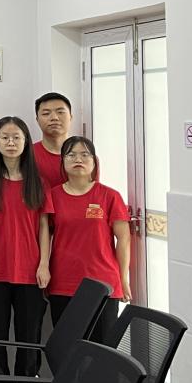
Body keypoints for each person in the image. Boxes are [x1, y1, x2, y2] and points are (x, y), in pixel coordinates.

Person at [0, 116, 51, 377]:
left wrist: (44, 264)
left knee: (29, 335)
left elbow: (44, 227)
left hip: (30, 270)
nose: (10, 142)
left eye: (16, 137)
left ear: (26, 142)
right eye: (4, 137)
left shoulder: (38, 183)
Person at [46, 136, 130, 344]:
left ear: (94, 162)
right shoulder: (52, 196)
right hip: (63, 283)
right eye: (71, 155)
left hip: (104, 284)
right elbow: (44, 237)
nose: (78, 159)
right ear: (63, 162)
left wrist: (123, 279)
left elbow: (124, 239)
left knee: (102, 349)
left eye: (85, 154)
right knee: (67, 348)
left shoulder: (110, 196)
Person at [34, 93, 73, 189]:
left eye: (60, 112)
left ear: (71, 117)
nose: (54, 118)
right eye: (46, 113)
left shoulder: (86, 156)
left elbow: (94, 193)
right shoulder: (27, 154)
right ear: (37, 120)